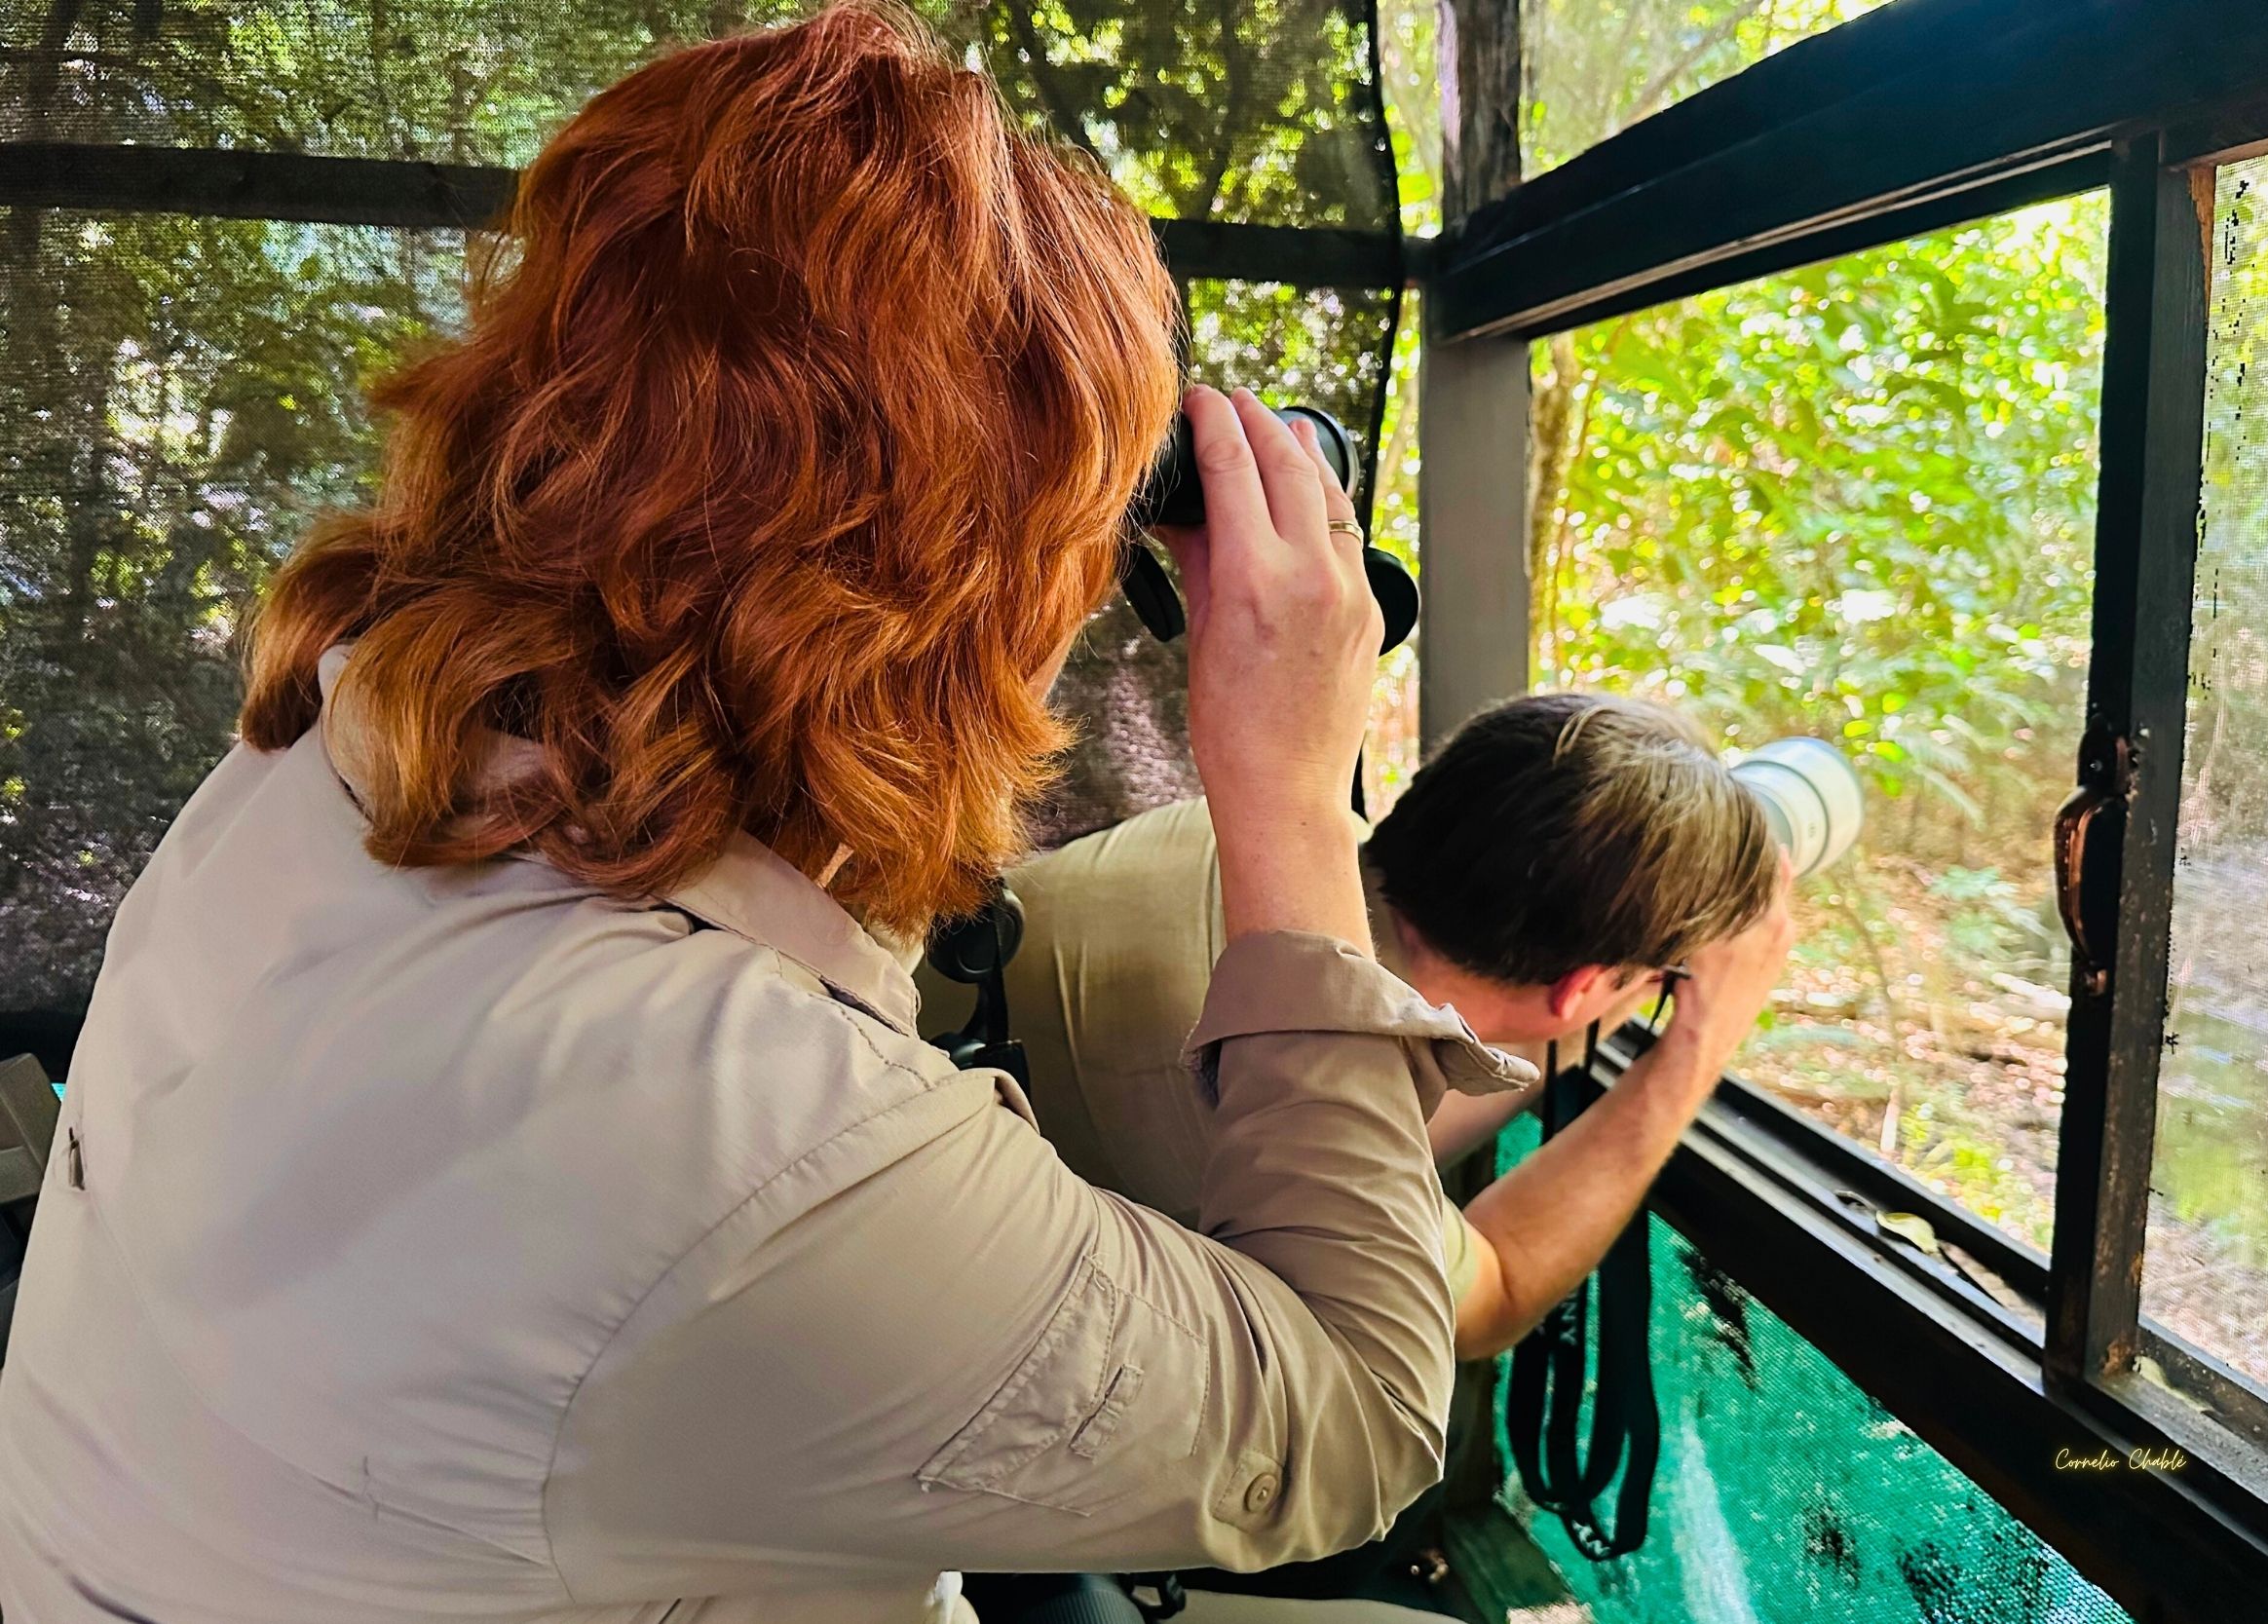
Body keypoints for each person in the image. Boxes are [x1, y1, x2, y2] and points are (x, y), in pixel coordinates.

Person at [0, 11, 1533, 1623]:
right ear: (948, 597)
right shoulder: (742, 1137)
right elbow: (1356, 1414)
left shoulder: (341, 727)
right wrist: (1292, 791)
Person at [922, 692, 1796, 1369]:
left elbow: (1426, 1066)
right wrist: (1696, 1046)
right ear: (1584, 992)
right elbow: (1493, 1296)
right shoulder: (1315, 1109)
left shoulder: (1266, 829)